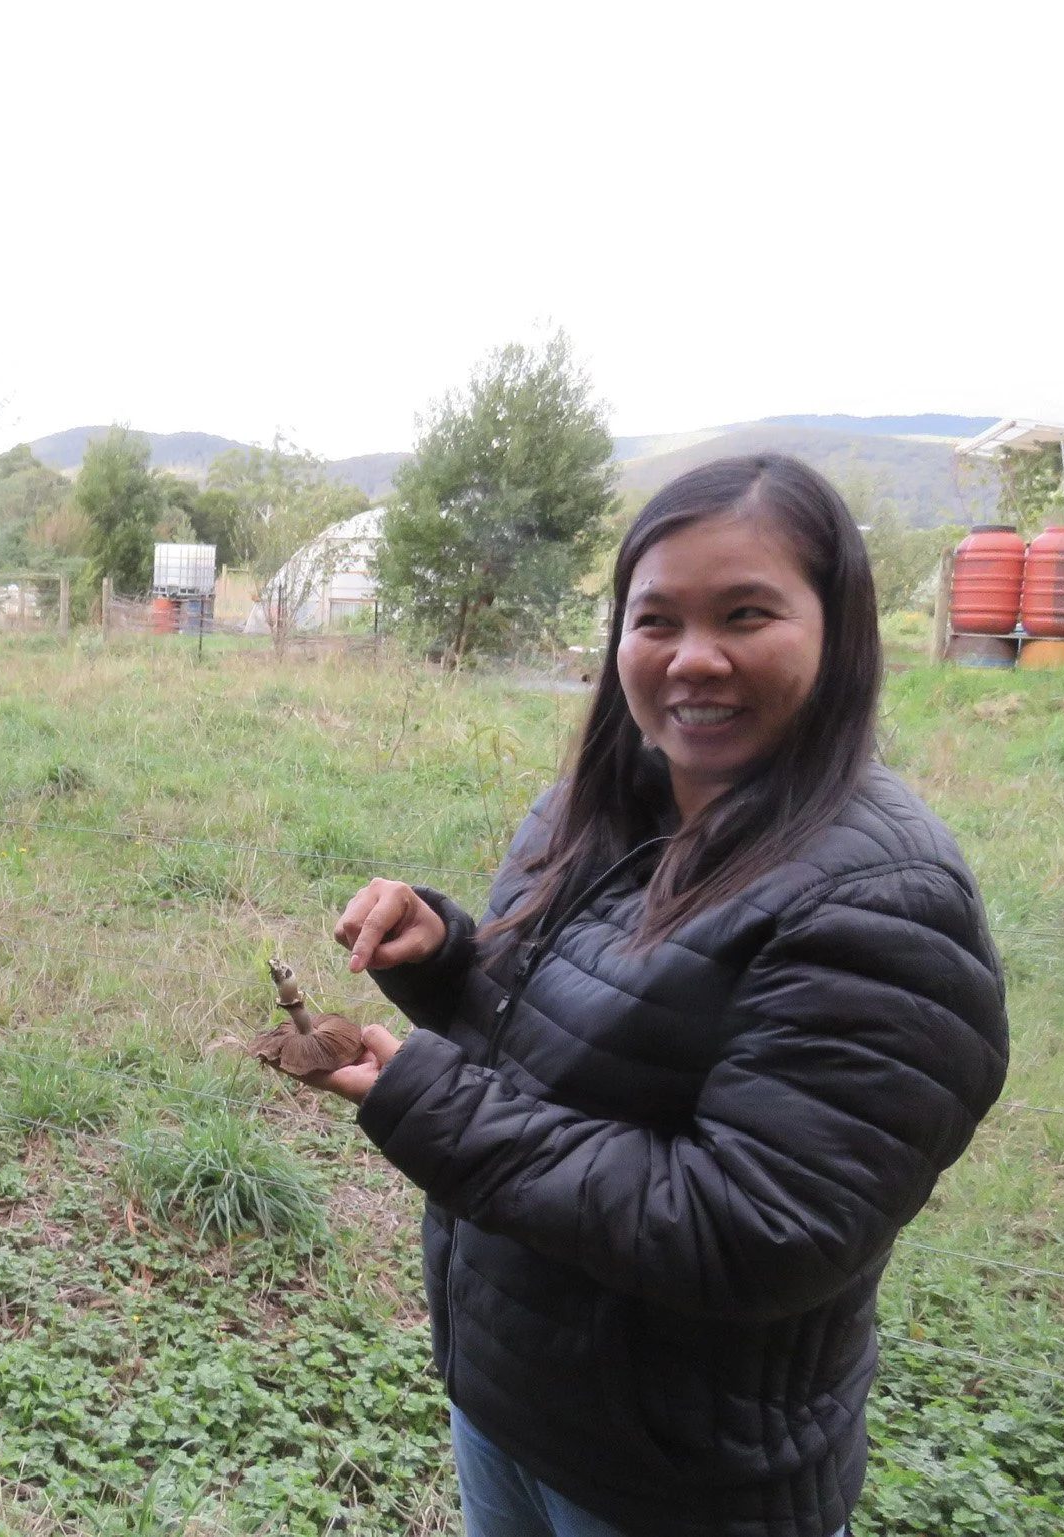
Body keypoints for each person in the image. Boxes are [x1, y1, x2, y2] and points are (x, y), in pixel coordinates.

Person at [316, 455, 1007, 1537]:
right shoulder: (592, 808)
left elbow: (755, 1226)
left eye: (745, 613)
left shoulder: (883, 899)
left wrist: (434, 1104)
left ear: (840, 629)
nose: (694, 658)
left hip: (678, 1478)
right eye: (657, 619)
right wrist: (443, 953)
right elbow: (561, 1025)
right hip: (518, 1395)